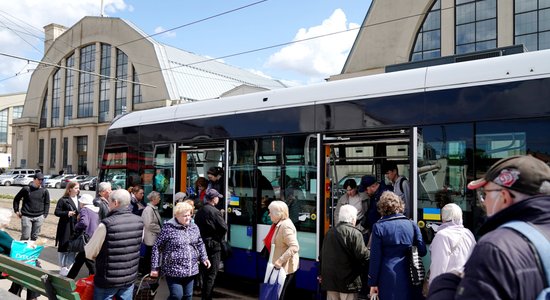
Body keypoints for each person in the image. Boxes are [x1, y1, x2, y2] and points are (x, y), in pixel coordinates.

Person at [428, 155, 550, 299]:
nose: (483, 202)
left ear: (504, 197)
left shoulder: (494, 248)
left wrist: (444, 285)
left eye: (485, 194)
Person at [85, 189, 144, 300]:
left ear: (115, 203)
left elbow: (89, 253)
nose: (108, 204)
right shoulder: (139, 221)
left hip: (107, 280)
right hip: (129, 278)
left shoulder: (106, 224)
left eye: (109, 201)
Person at [368, 191, 427, 300]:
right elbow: (422, 250)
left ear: (382, 208)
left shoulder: (379, 227)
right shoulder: (412, 224)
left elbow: (375, 258)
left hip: (387, 276)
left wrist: (373, 282)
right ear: (399, 205)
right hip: (410, 274)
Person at [151, 202, 211, 300]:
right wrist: (154, 267)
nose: (188, 218)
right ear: (177, 216)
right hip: (173, 270)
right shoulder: (168, 228)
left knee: (188, 296)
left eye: (189, 214)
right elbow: (157, 247)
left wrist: (204, 257)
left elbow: (200, 243)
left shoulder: (194, 227)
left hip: (191, 269)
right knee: (177, 296)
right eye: (185, 216)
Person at [319, 205, 370, 300]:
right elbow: (363, 256)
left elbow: (322, 256)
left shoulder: (330, 233)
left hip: (331, 283)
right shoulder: (355, 233)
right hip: (348, 283)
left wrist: (321, 274)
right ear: (352, 219)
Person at [428, 203, 475, 287]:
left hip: (449, 286)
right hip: (466, 284)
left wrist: (433, 287)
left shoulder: (442, 235)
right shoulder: (468, 233)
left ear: (443, 217)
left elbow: (438, 266)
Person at [194, 189, 228, 300]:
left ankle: (204, 294)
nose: (218, 198)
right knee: (212, 275)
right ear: (213, 199)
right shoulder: (215, 211)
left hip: (202, 244)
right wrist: (218, 237)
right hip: (213, 245)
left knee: (204, 273)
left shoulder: (200, 211)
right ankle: (207, 297)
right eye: (217, 197)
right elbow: (223, 227)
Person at [0, 208, 40, 300]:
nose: (10, 220)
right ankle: (32, 298)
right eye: (9, 218)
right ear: (4, 221)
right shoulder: (2, 234)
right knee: (33, 267)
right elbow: (16, 248)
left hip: (5, 265)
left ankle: (14, 291)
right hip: (3, 270)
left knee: (23, 267)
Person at [266, 200, 300, 300]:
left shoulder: (285, 226)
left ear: (278, 214)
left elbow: (294, 247)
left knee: (280, 295)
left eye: (270, 212)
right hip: (281, 267)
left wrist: (280, 261)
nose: (269, 215)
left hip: (285, 268)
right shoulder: (279, 224)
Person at [68, 194, 99, 279]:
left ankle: (96, 280)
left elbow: (84, 223)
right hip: (92, 238)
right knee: (79, 260)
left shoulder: (84, 209)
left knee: (89, 262)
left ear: (83, 202)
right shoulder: (94, 210)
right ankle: (69, 278)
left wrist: (76, 225)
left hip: (86, 239)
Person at [12, 172, 50, 241]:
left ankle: (31, 251)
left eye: (42, 180)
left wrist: (45, 215)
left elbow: (47, 203)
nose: (41, 181)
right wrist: (16, 210)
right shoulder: (26, 189)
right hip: (26, 216)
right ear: (34, 179)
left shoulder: (44, 191)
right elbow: (16, 199)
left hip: (39, 216)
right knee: (25, 236)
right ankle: (23, 251)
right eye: (39, 179)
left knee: (34, 237)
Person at [54, 181, 80, 276]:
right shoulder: (63, 200)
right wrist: (67, 213)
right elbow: (57, 212)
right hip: (66, 226)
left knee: (73, 246)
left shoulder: (80, 199)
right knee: (64, 246)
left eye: (78, 188)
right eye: (76, 188)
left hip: (76, 226)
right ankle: (63, 266)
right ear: (70, 189)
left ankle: (69, 266)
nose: (78, 190)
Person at [139, 191, 162, 275]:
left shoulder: (153, 208)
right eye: (158, 198)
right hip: (150, 236)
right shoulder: (149, 209)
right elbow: (149, 224)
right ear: (153, 199)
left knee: (150, 254)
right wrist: (159, 229)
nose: (159, 199)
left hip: (153, 235)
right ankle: (146, 271)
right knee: (149, 254)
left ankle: (148, 271)